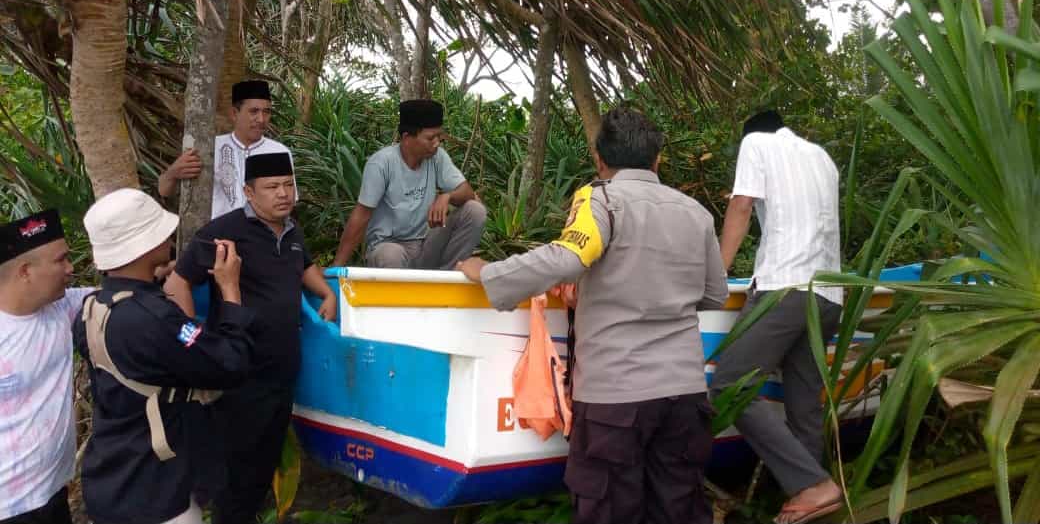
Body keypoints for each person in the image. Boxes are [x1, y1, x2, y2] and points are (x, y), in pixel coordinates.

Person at [457, 108, 728, 524]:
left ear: (600, 161)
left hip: (614, 400)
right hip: (684, 396)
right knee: (679, 510)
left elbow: (568, 257)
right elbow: (714, 295)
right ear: (657, 160)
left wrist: (488, 274)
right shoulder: (697, 213)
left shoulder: (600, 198)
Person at [165, 152, 336, 524]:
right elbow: (177, 283)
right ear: (248, 191)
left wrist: (327, 293)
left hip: (284, 370)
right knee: (234, 470)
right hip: (241, 373)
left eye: (288, 185)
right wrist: (193, 340)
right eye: (272, 187)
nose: (283, 194)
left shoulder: (292, 230)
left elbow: (304, 264)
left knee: (264, 462)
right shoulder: (223, 232)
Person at [74, 189, 255, 524]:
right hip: (159, 494)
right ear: (144, 246)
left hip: (114, 478)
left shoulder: (92, 309)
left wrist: (154, 279)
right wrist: (230, 291)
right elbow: (229, 364)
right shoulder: (156, 320)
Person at [710, 110, 844, 524]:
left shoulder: (757, 143)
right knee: (803, 407)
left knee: (731, 385)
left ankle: (812, 484)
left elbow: (742, 205)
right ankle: (811, 500)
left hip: (784, 288)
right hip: (829, 295)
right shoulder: (822, 156)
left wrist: (716, 274)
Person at [0, 210, 90, 524]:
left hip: (52, 494)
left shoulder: (63, 308)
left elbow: (125, 291)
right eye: (61, 260)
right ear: (25, 271)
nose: (71, 268)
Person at [331, 99, 486, 270]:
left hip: (424, 246)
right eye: (430, 138)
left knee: (475, 210)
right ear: (406, 137)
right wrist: (337, 267)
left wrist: (447, 196)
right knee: (391, 254)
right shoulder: (382, 163)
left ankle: (446, 281)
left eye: (439, 137)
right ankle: (401, 296)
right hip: (387, 247)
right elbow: (361, 215)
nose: (437, 143)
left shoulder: (437, 157)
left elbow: (467, 192)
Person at [158, 79, 297, 219]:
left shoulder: (279, 152)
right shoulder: (210, 148)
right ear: (234, 113)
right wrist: (173, 173)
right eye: (254, 111)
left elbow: (288, 202)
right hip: (216, 236)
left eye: (266, 112)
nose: (261, 119)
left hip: (262, 236)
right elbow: (163, 191)